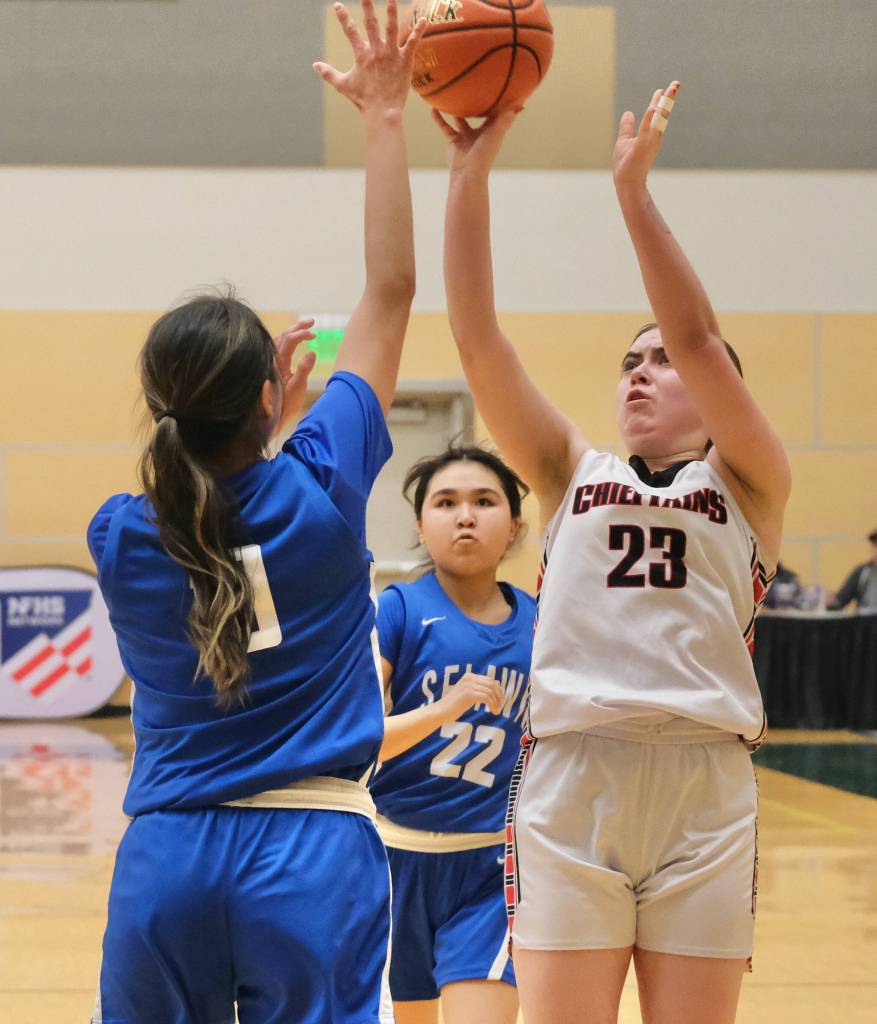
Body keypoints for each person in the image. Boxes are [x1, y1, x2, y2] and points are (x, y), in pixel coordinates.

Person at [86, 4, 425, 1022]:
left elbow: (205, 501)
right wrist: (382, 120)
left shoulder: (120, 529)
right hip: (312, 845)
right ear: (274, 389)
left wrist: (268, 414)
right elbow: (392, 289)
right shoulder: (321, 486)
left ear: (162, 401)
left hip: (169, 850)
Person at [435, 82, 791, 1024]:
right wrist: (468, 175)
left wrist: (633, 197)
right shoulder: (567, 469)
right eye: (628, 362)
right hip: (572, 773)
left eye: (657, 362)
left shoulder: (749, 481)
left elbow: (701, 338)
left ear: (716, 398)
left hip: (705, 783)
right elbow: (476, 340)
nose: (639, 371)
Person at [369, 445, 535, 1024]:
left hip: (491, 871)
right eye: (446, 502)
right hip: (390, 865)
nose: (465, 515)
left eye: (484, 501)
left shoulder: (544, 623)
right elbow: (359, 739)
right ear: (420, 525)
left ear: (513, 526)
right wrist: (446, 708)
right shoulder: (397, 611)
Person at [828, 530, 877, 610]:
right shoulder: (862, 572)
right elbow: (842, 599)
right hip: (866, 620)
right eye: (875, 545)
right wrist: (831, 601)